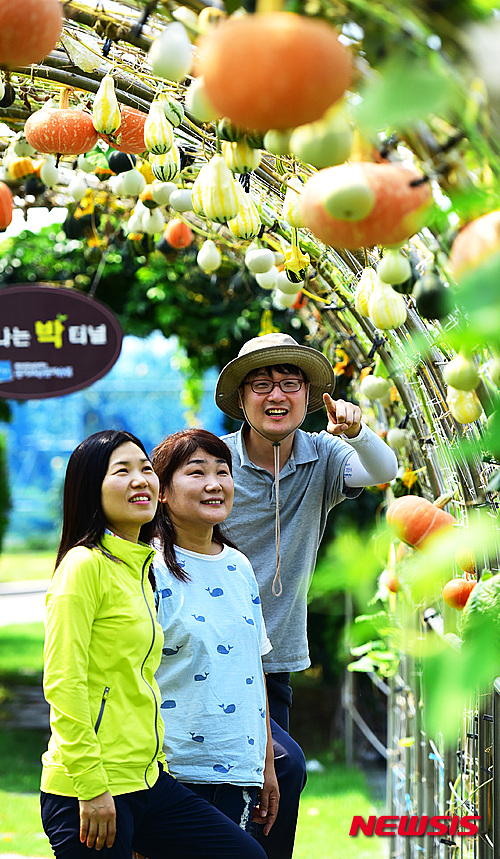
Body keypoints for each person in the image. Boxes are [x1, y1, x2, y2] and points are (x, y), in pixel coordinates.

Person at [40, 428, 266, 859]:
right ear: (91, 488)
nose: (140, 480)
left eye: (145, 469)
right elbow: (64, 683)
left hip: (147, 781)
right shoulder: (83, 566)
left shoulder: (138, 568)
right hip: (91, 788)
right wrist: (91, 786)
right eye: (121, 471)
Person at [215, 332, 399, 858]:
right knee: (270, 771)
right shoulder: (215, 462)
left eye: (289, 383)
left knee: (269, 790)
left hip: (274, 661)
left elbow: (383, 470)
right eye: (261, 384)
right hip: (209, 655)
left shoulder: (323, 454)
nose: (276, 395)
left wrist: (359, 432)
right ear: (242, 400)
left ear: (309, 396)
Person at [151, 428, 279, 835]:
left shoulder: (239, 566)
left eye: (222, 471)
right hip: (171, 772)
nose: (214, 484)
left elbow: (252, 669)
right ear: (162, 491)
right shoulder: (148, 568)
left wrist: (266, 764)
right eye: (196, 472)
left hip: (239, 770)